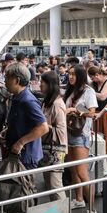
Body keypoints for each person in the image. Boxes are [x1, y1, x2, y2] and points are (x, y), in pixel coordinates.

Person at [4, 63, 49, 213]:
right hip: (19, 154)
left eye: (7, 77)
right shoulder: (17, 98)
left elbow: (43, 127)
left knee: (26, 190)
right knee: (19, 190)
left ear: (16, 80)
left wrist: (21, 142)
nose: (5, 81)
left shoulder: (28, 100)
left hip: (26, 155)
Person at [64, 64, 98, 213]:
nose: (70, 77)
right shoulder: (71, 91)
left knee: (82, 173)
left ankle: (92, 210)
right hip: (69, 133)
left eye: (73, 74)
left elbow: (93, 113)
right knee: (73, 170)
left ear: (80, 76)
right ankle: (79, 199)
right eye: (69, 74)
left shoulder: (88, 91)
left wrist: (75, 111)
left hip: (80, 135)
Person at [39, 71, 67, 201]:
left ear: (50, 85)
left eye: (42, 83)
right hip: (46, 146)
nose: (40, 85)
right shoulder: (46, 102)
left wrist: (43, 126)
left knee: (55, 184)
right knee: (49, 183)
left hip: (56, 148)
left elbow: (61, 130)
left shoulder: (57, 103)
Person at [88, 66, 107, 155]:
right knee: (96, 137)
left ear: (97, 75)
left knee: (106, 135)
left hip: (105, 113)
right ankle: (96, 153)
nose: (93, 80)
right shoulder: (94, 83)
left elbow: (103, 97)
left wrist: (90, 91)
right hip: (96, 112)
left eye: (93, 78)